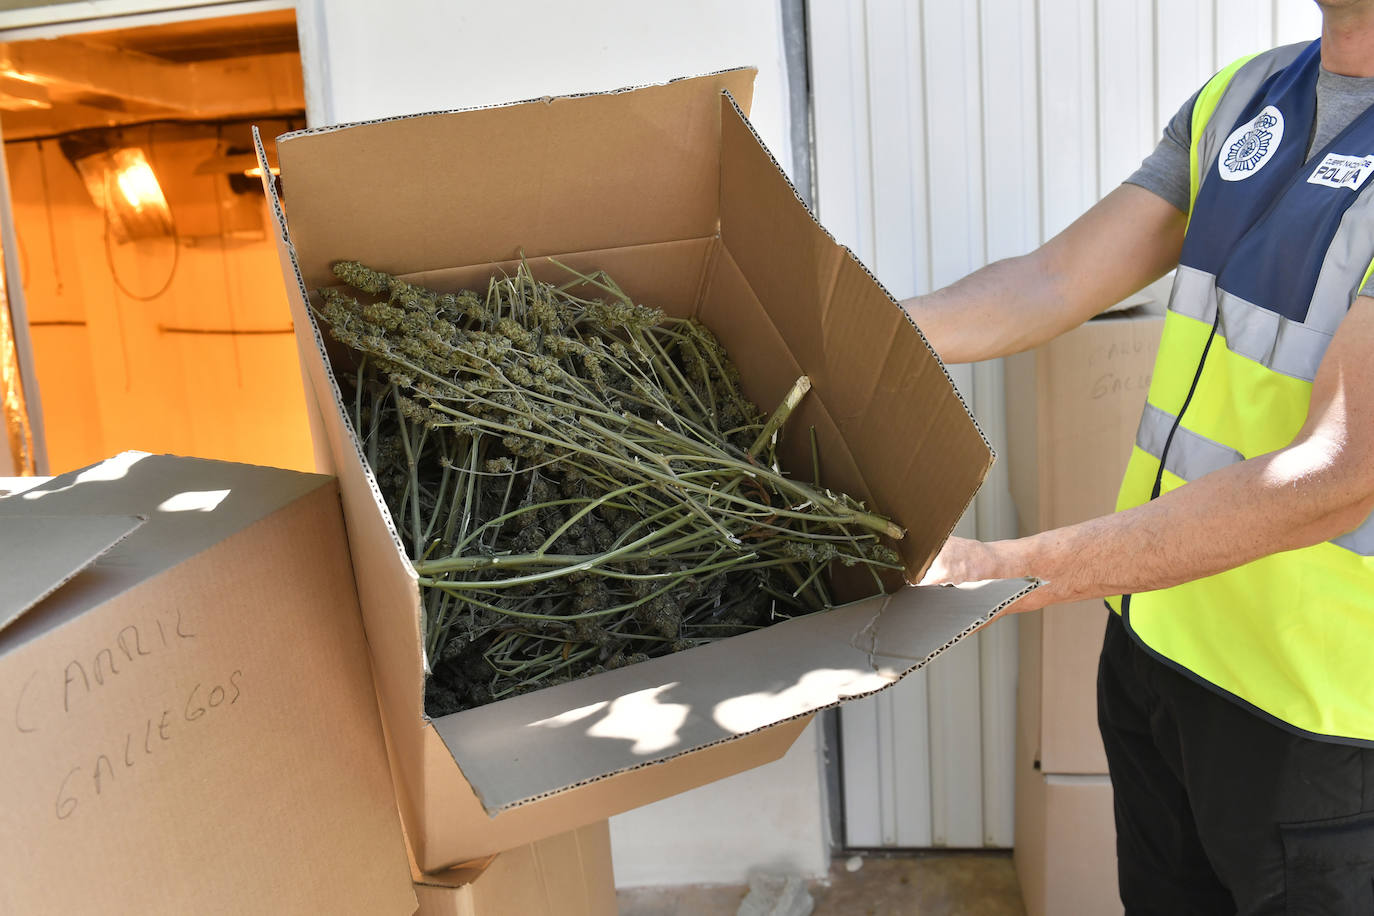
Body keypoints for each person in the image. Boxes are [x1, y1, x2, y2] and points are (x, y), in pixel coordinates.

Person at [903, 2, 1374, 913]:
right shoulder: (1243, 96)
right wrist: (846, 335)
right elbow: (1051, 280)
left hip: (1317, 715)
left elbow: (1336, 476)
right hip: (1155, 649)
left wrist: (1005, 571)